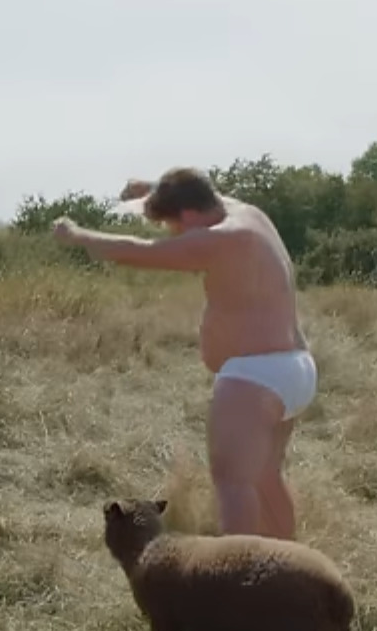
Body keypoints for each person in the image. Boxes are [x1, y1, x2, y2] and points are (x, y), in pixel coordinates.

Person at [51, 167, 315, 541]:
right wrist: (151, 189)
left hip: (256, 376)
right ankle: (285, 562)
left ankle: (240, 570)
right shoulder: (246, 213)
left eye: (171, 225)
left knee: (234, 483)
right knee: (264, 477)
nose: (172, 234)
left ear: (189, 215)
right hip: (294, 367)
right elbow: (199, 190)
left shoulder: (221, 239)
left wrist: (77, 234)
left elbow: (136, 251)